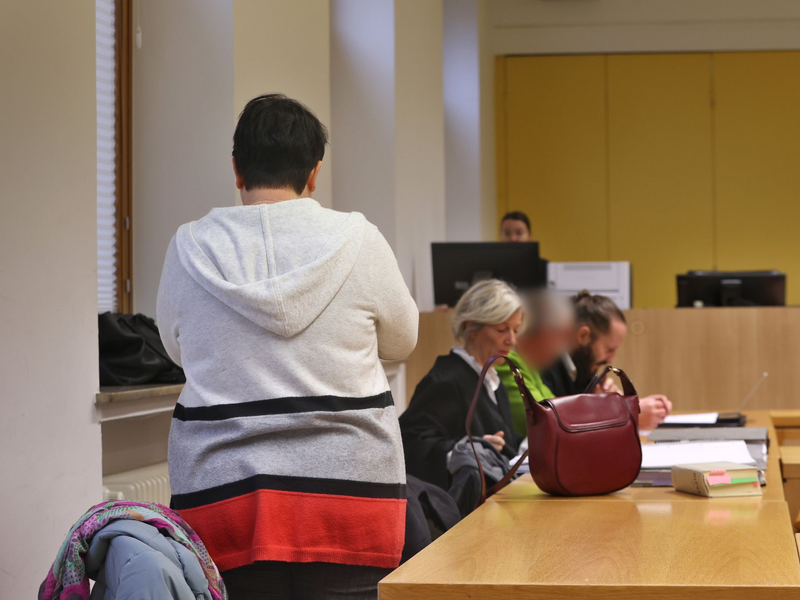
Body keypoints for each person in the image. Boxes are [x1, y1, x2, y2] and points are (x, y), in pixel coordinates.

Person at [156, 94, 419, 599]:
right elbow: (402, 341)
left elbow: (176, 347)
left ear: (237, 169)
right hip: (351, 501)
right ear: (314, 172)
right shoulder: (359, 240)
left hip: (223, 500)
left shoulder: (188, 247)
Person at [399, 279, 527, 493]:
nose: (512, 340)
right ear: (471, 326)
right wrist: (465, 450)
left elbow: (508, 445)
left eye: (516, 330)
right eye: (502, 329)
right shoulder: (445, 381)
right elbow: (411, 444)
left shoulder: (493, 381)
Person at [541, 291, 673, 429]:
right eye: (609, 349)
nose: (611, 359)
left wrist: (615, 401)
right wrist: (625, 414)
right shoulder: (544, 367)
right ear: (583, 336)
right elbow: (554, 423)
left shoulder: (582, 367)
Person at [495, 290, 574, 435]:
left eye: (515, 330)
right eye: (557, 337)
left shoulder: (530, 363)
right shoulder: (506, 360)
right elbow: (543, 419)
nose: (512, 339)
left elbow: (556, 409)